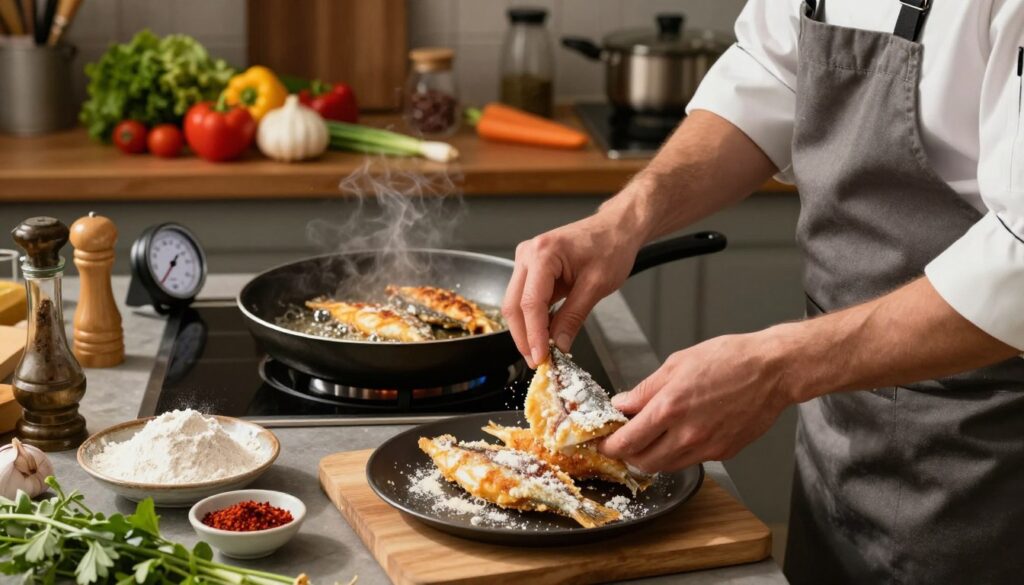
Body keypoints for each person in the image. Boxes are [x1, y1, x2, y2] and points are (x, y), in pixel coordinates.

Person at [502, 0, 1024, 583]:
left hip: (989, 449)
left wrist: (779, 366)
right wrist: (623, 220)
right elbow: (769, 77)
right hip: (840, 421)